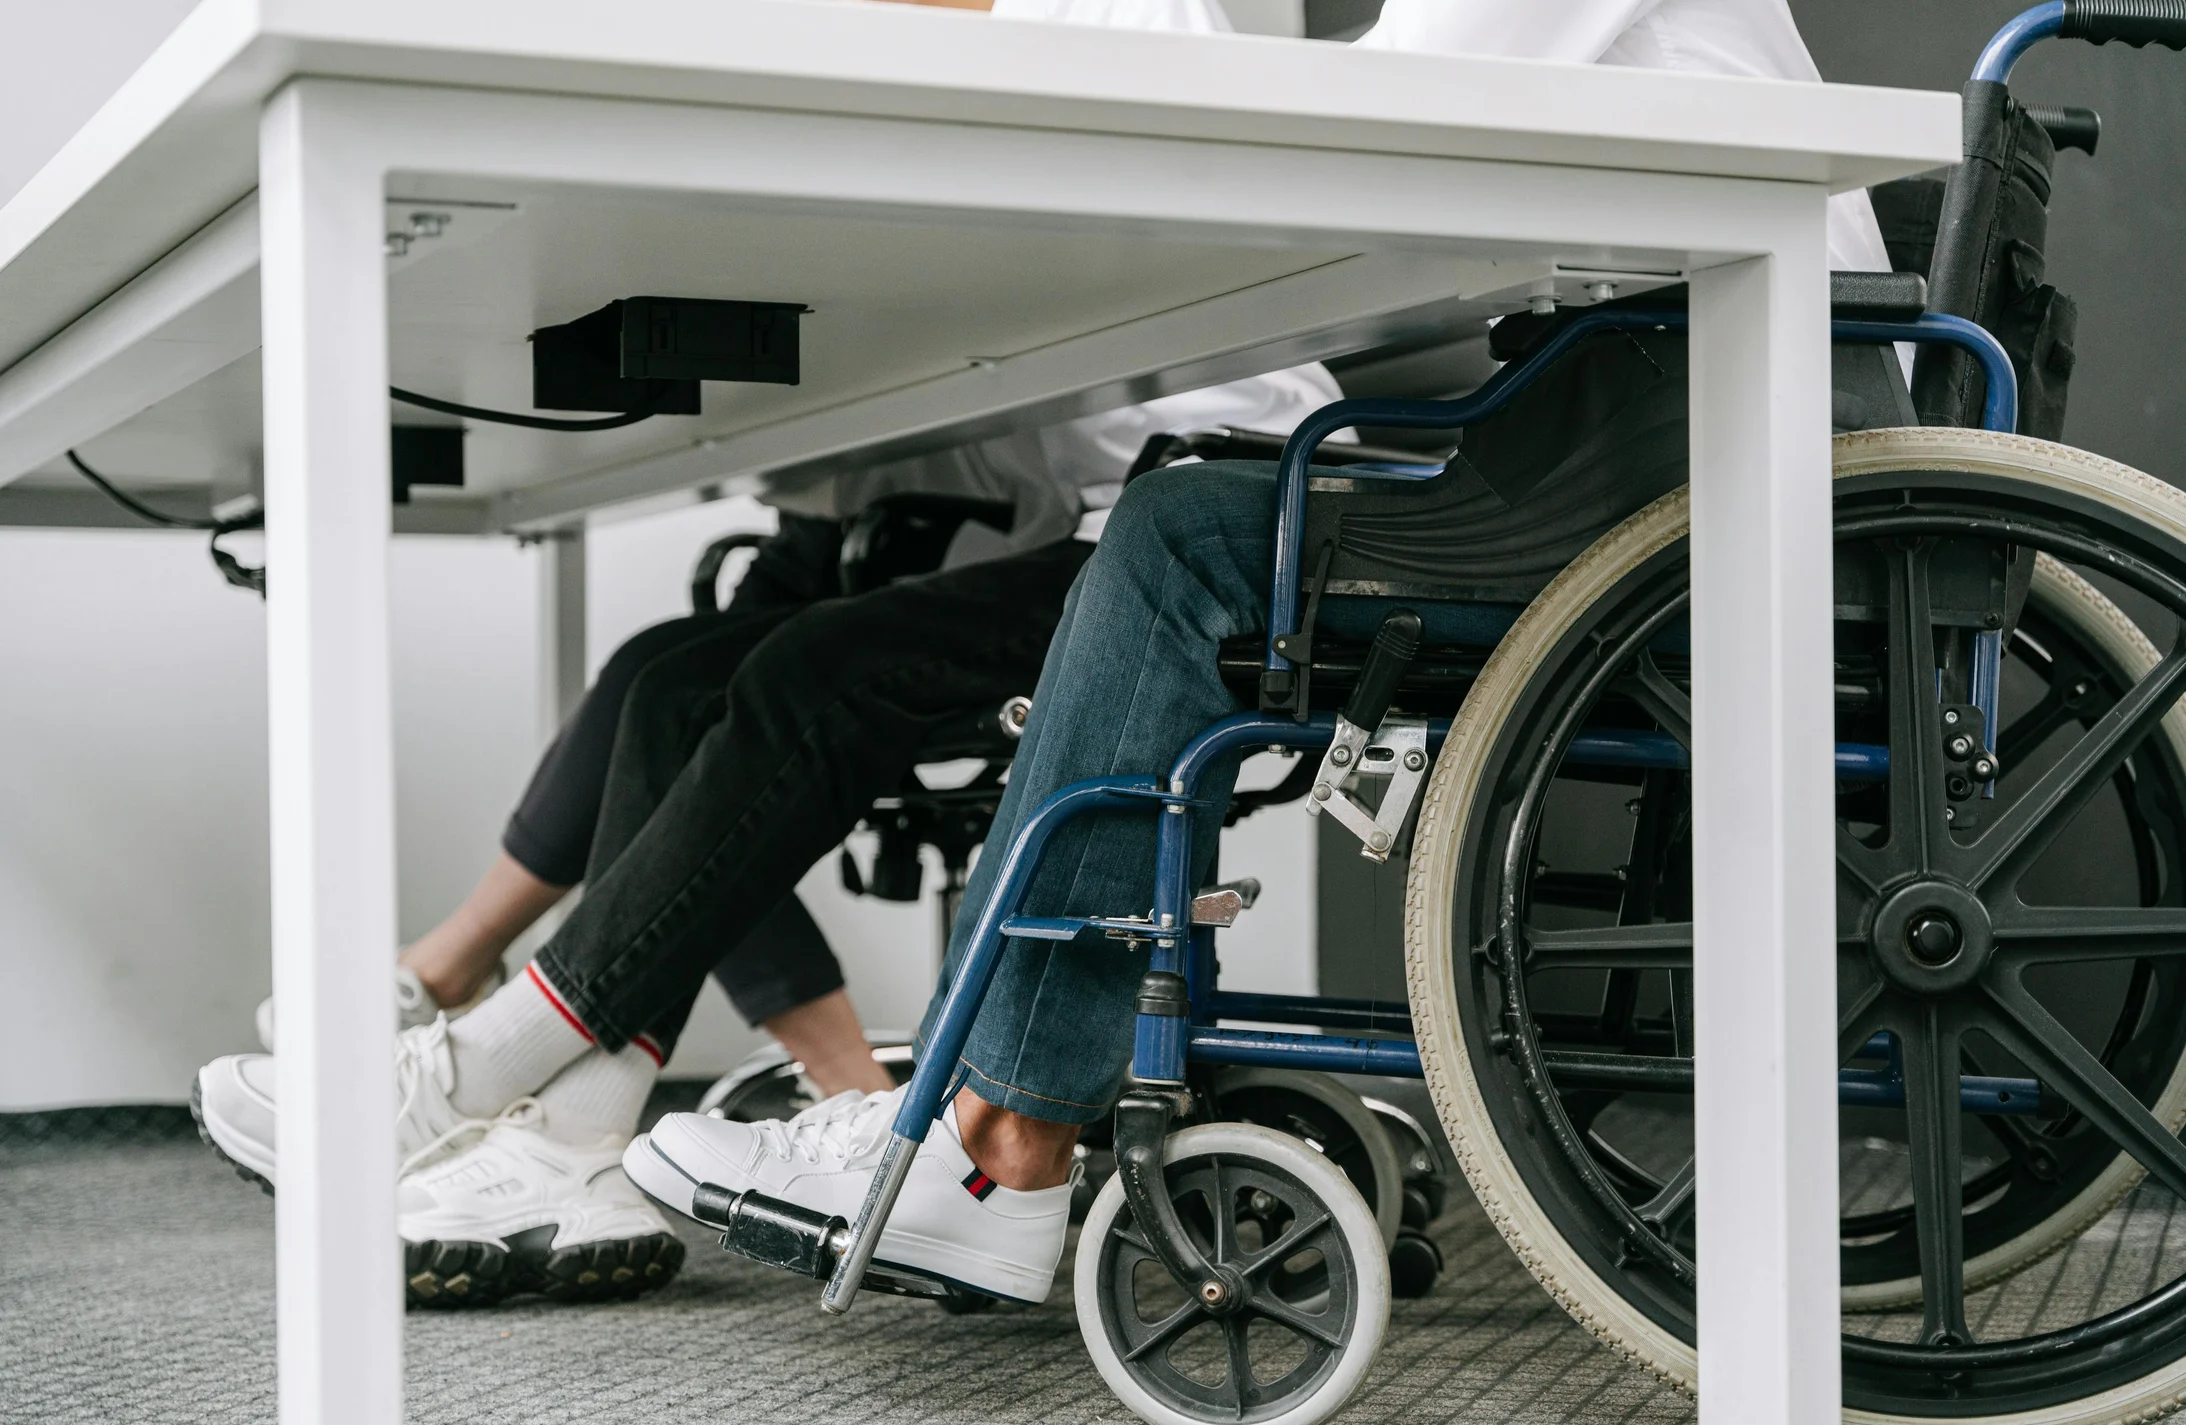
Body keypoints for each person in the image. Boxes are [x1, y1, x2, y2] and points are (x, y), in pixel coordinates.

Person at [622, 0, 1907, 1308]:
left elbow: (1394, 108)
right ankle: (991, 1112)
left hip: (1682, 440)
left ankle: (1003, 1139)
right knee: (1190, 508)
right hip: (1664, 415)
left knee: (1181, 531)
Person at [192, 0, 1327, 1313]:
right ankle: (563, 1127)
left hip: (1195, 523)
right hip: (1091, 510)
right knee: (677, 682)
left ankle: (473, 1071)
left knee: (797, 675)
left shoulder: (1107, 20)